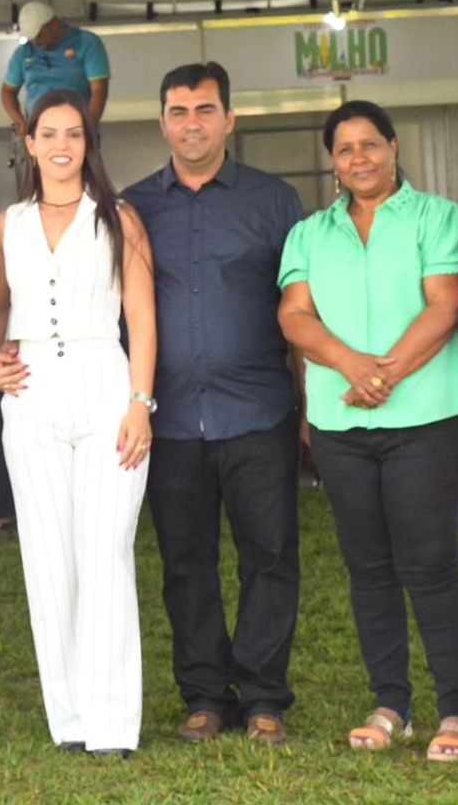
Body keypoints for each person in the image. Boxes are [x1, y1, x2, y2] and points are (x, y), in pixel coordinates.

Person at [278, 100, 458, 761]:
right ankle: (392, 704)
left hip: (423, 419)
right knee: (368, 568)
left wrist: (381, 375)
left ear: (393, 147)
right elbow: (294, 316)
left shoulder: (436, 217)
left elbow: (444, 304)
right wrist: (350, 366)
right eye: (344, 148)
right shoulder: (309, 233)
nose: (358, 157)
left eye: (369, 144)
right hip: (341, 425)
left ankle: (457, 713)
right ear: (331, 162)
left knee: (430, 563)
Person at [122, 62, 303, 747]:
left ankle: (262, 697)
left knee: (270, 556)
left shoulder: (274, 202)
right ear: (162, 123)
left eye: (204, 110)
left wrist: (309, 407)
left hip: (259, 412)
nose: (191, 123)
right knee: (185, 562)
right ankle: (203, 696)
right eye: (178, 111)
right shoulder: (133, 207)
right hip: (169, 420)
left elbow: (302, 306)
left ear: (229, 119)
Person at [0, 89, 155, 756]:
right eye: (47, 133)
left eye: (72, 134)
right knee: (48, 558)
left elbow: (141, 317)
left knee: (105, 552)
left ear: (87, 142)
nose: (60, 145)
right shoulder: (8, 225)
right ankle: (71, 720)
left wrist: (140, 402)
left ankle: (113, 723)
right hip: (31, 393)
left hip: (104, 382)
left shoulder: (120, 219)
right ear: (28, 143)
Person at [1, 1, 110, 136]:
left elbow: (99, 89)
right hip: (39, 130)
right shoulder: (24, 52)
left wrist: (89, 128)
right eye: (32, 39)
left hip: (76, 127)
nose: (36, 42)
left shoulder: (87, 43)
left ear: (53, 25)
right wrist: (20, 122)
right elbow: (8, 90)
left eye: (39, 35)